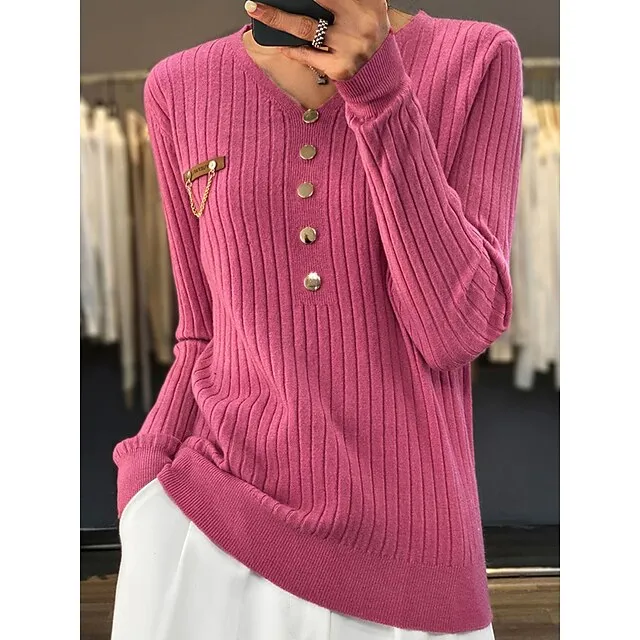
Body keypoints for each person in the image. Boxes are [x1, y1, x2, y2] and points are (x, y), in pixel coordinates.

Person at [110, 1, 523, 638]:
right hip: (206, 529)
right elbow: (201, 329)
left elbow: (456, 329)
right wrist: (142, 476)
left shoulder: (475, 59)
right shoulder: (179, 86)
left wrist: (379, 90)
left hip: (405, 555)